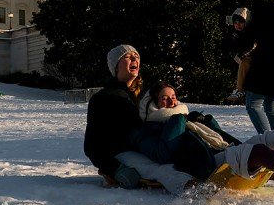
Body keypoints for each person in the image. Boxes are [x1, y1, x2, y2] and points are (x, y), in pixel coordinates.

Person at [131, 81, 274, 185]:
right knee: (259, 151)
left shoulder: (187, 117)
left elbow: (217, 135)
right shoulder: (149, 129)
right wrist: (176, 120)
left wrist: (205, 120)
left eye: (174, 96)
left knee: (269, 137)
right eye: (165, 98)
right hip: (207, 165)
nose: (172, 101)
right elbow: (161, 154)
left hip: (223, 149)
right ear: (153, 104)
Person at [84, 44, 195, 195]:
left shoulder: (143, 98)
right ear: (116, 66)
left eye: (136, 56)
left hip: (149, 146)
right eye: (128, 57)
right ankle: (194, 190)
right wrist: (114, 169)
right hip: (122, 153)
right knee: (159, 168)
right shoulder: (103, 98)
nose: (134, 58)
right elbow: (91, 145)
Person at [236, 0, 274, 133]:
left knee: (252, 104)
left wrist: (240, 42)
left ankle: (269, 142)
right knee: (272, 108)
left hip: (264, 62)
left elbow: (248, 39)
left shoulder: (260, 13)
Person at [224, 7, 252, 102]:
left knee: (244, 62)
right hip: (242, 59)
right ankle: (239, 89)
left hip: (253, 58)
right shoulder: (234, 34)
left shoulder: (249, 33)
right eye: (235, 23)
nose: (238, 25)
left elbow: (253, 46)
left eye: (240, 22)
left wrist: (243, 54)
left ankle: (240, 90)